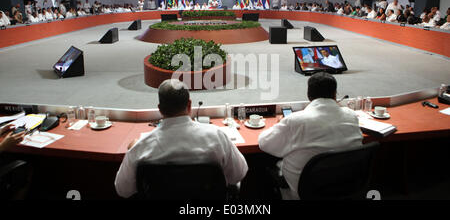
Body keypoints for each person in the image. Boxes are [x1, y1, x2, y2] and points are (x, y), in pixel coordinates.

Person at [114, 79, 248, 198]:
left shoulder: (140, 148)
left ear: (160, 109)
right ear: (189, 105)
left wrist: (133, 149)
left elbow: (123, 190)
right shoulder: (217, 137)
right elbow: (238, 174)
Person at [258, 72, 362, 200]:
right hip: (345, 189)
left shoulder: (295, 121)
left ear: (309, 95)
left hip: (305, 193)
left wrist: (281, 124)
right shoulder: (351, 115)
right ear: (335, 94)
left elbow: (264, 143)